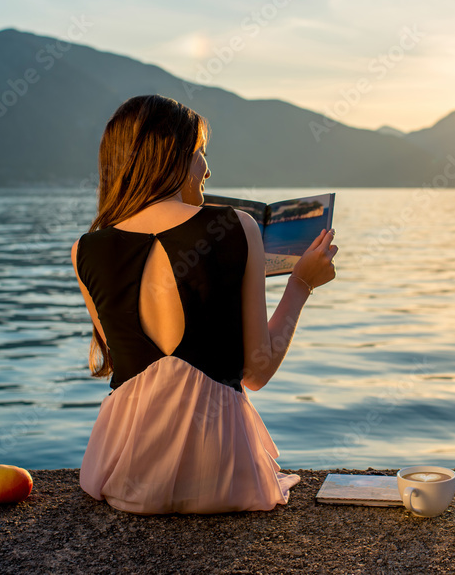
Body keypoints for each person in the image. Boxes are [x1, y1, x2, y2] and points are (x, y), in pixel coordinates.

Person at [70, 94, 338, 514]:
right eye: (200, 153)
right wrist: (300, 283)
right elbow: (257, 373)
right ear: (172, 156)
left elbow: (126, 365)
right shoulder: (238, 226)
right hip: (223, 480)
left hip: (121, 477)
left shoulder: (85, 250)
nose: (208, 169)